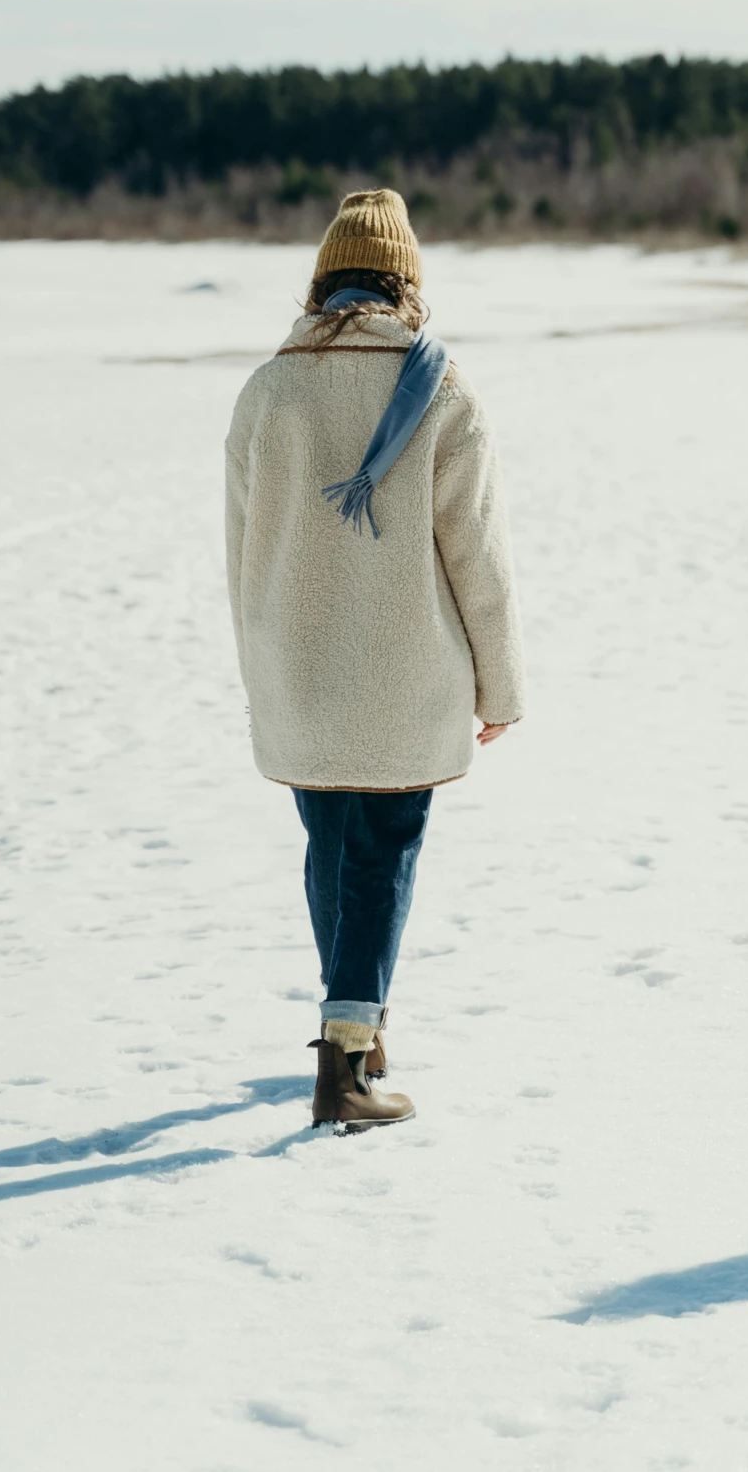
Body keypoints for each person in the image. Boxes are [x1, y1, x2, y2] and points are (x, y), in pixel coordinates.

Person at [224, 188, 525, 1132]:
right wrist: (500, 681)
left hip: (298, 666)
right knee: (385, 849)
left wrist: (261, 664)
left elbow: (243, 546)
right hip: (407, 670)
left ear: (324, 275)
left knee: (330, 843)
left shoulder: (270, 385)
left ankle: (353, 1020)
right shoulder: (440, 384)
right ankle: (348, 1062)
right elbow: (475, 552)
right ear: (407, 280)